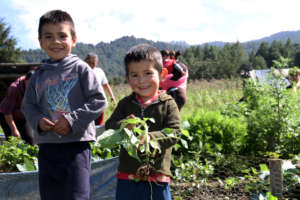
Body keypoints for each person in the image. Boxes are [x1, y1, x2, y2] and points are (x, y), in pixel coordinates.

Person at [21, 10, 107, 200]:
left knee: (76, 195)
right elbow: (28, 105)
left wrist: (71, 120)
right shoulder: (38, 75)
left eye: (62, 36)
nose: (56, 41)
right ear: (40, 41)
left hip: (76, 145)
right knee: (51, 194)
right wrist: (38, 121)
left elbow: (99, 100)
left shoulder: (81, 69)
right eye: (49, 36)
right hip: (48, 147)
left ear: (73, 39)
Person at [105, 43, 181, 200]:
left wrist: (150, 138)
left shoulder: (167, 103)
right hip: (127, 177)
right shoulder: (125, 104)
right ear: (127, 78)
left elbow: (174, 132)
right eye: (134, 75)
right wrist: (124, 125)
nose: (142, 81)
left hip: (157, 177)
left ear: (162, 74)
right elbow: (109, 126)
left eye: (148, 73)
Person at [0, 70, 35, 145]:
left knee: (29, 138)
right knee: (12, 140)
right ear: (25, 80)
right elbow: (7, 112)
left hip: (22, 115)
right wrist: (14, 130)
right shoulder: (14, 88)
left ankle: (29, 156)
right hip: (7, 115)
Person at [84, 52, 116, 125]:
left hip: (100, 102)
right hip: (87, 104)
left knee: (99, 125)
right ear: (86, 61)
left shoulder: (99, 71)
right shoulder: (82, 71)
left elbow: (105, 85)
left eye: (94, 62)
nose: (92, 64)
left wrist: (112, 96)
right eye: (90, 62)